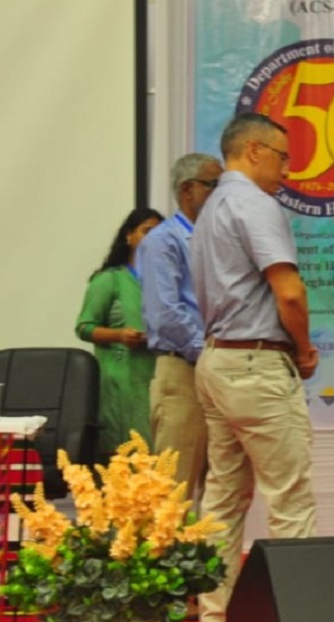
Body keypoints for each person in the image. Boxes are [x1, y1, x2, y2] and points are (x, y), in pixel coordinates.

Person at [190, 113, 317, 622]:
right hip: (256, 363)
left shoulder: (209, 209)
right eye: (283, 157)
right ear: (254, 151)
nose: (288, 170)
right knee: (290, 498)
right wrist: (304, 350)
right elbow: (289, 293)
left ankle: (215, 619)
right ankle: (298, 621)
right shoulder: (256, 204)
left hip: (217, 359)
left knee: (222, 498)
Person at [135, 153, 223, 508]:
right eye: (215, 185)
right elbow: (165, 314)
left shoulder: (217, 239)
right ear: (188, 190)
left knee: (220, 488)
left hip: (218, 370)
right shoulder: (163, 241)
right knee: (175, 490)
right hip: (184, 369)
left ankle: (213, 549)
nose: (223, 195)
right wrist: (209, 353)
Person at [75, 208, 164, 460]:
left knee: (161, 457)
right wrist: (119, 335)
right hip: (122, 377)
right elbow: (84, 327)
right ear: (129, 236)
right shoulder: (110, 279)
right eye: (147, 231)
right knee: (129, 454)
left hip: (158, 374)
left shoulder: (168, 281)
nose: (154, 238)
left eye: (160, 233)